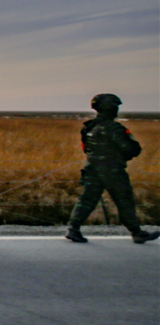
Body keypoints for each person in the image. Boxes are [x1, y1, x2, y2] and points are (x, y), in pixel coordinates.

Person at [67, 94, 159, 244]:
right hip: (112, 171)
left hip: (92, 168)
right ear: (110, 108)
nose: (117, 110)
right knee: (124, 201)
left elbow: (86, 148)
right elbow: (132, 149)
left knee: (86, 200)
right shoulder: (115, 128)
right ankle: (136, 232)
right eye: (115, 107)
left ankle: (73, 229)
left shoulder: (88, 127)